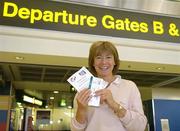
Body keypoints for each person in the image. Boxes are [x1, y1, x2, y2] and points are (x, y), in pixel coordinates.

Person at [70, 41, 147, 131]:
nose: (104, 62)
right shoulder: (83, 90)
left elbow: (140, 127)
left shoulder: (129, 86)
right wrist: (81, 109)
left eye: (108, 57)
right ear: (93, 63)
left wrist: (115, 105)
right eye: (98, 58)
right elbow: (75, 129)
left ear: (115, 61)